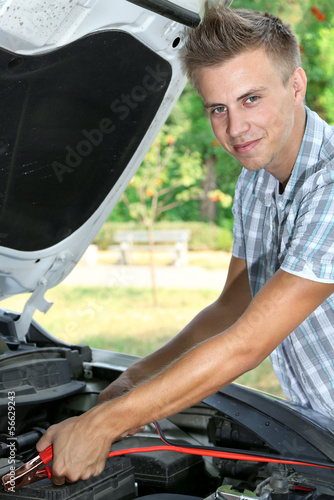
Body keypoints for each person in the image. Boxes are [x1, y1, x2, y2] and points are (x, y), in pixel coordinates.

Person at [37, 5, 334, 484]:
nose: (235, 129)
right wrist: (134, 379)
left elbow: (247, 343)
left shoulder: (331, 185)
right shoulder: (254, 184)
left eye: (251, 99)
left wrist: (105, 423)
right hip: (316, 427)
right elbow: (231, 308)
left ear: (295, 85)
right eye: (218, 108)